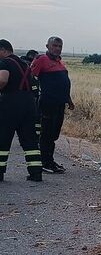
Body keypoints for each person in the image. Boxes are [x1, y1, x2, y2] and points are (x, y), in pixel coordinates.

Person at [0, 39, 43, 182]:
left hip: (10, 103)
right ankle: (36, 173)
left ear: (3, 50)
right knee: (30, 140)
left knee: (3, 138)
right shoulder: (24, 65)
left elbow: (3, 80)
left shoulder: (5, 62)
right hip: (29, 103)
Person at [30, 36, 73, 174]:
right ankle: (44, 162)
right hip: (48, 103)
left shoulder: (59, 62)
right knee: (47, 133)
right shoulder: (42, 59)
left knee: (54, 134)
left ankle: (50, 160)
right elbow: (30, 77)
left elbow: (64, 83)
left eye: (60, 46)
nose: (57, 48)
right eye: (54, 45)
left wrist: (69, 100)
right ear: (47, 46)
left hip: (60, 104)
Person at [21, 49, 41, 139]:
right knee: (35, 115)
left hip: (19, 94)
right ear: (32, 57)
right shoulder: (29, 66)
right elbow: (32, 80)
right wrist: (36, 91)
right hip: (30, 94)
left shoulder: (21, 63)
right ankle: (35, 135)